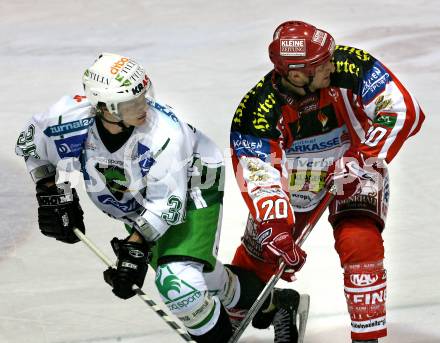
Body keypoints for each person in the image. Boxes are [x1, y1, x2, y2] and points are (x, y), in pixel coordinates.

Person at [15, 52, 281, 343]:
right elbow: (32, 146)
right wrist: (51, 190)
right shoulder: (67, 122)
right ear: (105, 107)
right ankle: (276, 303)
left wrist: (135, 248)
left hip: (194, 180)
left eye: (143, 95)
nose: (143, 106)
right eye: (131, 103)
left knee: (178, 282)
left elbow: (166, 203)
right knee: (198, 279)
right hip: (139, 197)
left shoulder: (163, 134)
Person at [229, 21, 425, 343]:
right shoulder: (257, 110)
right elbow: (259, 172)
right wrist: (276, 225)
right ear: (296, 75)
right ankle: (277, 307)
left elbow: (405, 109)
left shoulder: (350, 64)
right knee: (260, 257)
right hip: (295, 178)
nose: (331, 65)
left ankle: (367, 340)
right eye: (322, 64)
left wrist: (360, 158)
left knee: (360, 242)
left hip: (355, 161)